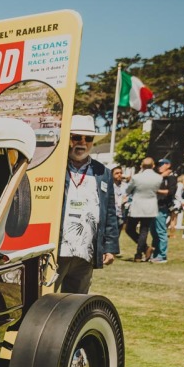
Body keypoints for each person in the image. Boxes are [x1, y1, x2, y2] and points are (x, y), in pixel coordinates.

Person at [56, 116, 118, 293]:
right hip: (57, 249)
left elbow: (110, 211)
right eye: (77, 137)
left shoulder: (102, 172)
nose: (82, 143)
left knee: (74, 304)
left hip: (86, 251)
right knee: (44, 301)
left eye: (88, 138)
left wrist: (110, 247)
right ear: (68, 139)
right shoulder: (55, 166)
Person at [125, 157, 162, 261]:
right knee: (144, 230)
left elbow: (128, 190)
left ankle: (140, 252)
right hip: (151, 206)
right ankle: (142, 251)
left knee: (130, 229)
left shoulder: (137, 177)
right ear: (153, 165)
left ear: (142, 165)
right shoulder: (158, 177)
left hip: (137, 205)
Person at [150, 158, 176, 263]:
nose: (158, 166)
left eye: (161, 164)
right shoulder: (159, 176)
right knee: (153, 231)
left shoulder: (171, 177)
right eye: (158, 165)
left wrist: (156, 190)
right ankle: (155, 253)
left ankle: (162, 255)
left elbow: (170, 192)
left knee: (160, 231)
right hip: (153, 206)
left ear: (168, 165)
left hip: (162, 207)